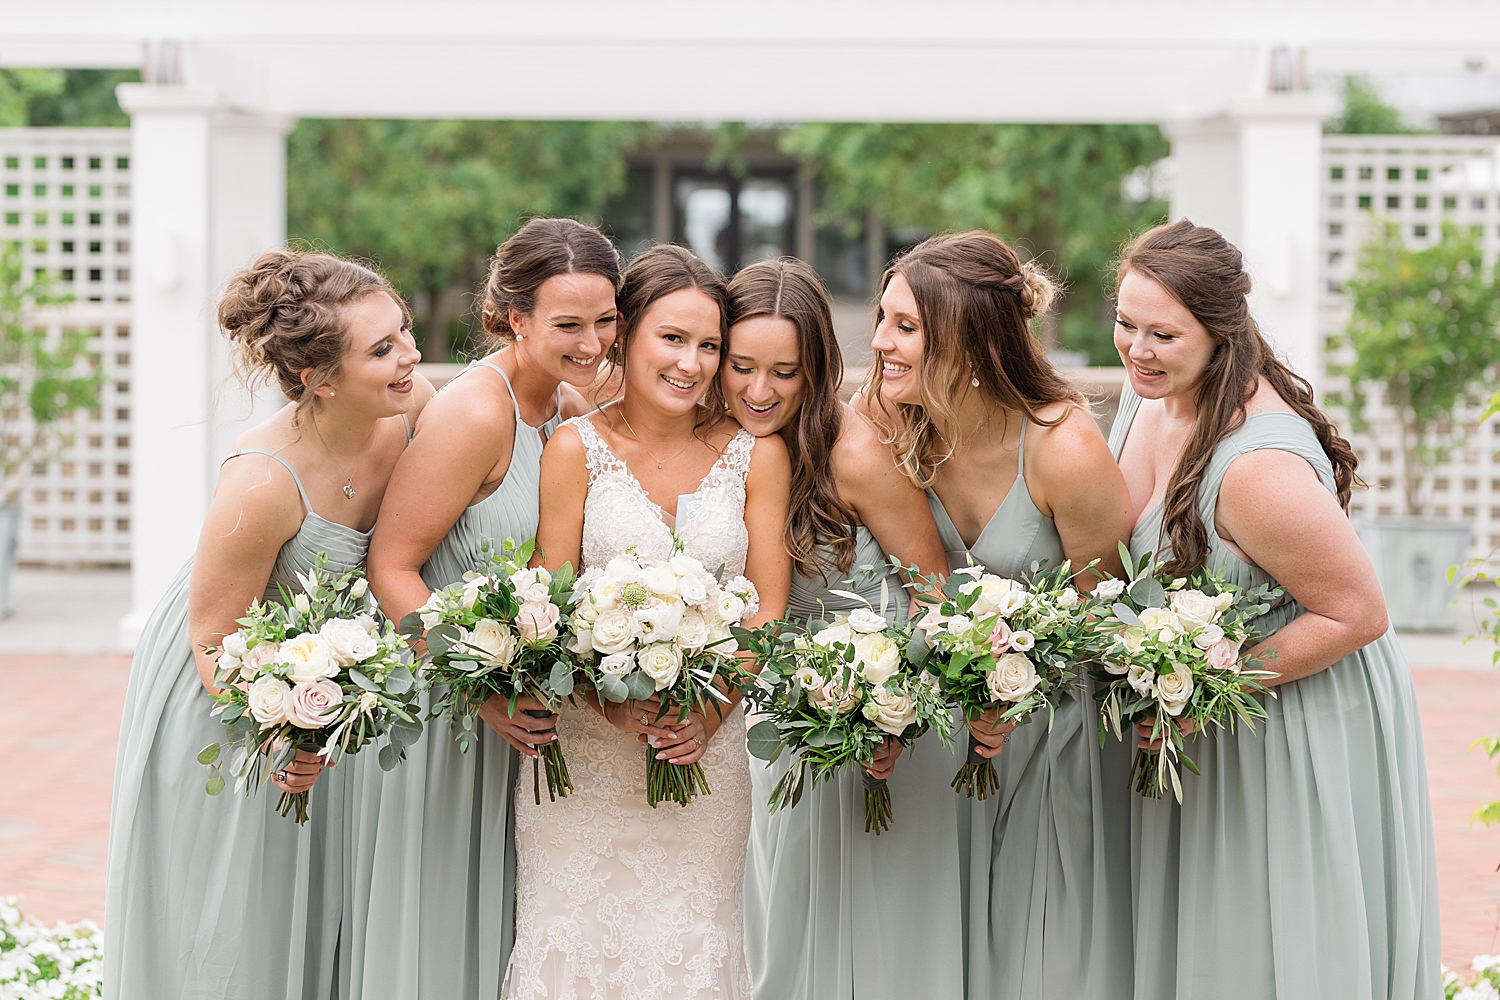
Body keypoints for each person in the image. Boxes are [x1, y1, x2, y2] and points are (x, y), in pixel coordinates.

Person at [1107, 218, 1440, 1000]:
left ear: (1221, 335)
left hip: (1292, 713)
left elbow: (1357, 612)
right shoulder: (1151, 398)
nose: (1136, 349)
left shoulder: (1256, 469)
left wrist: (1202, 692)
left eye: (1163, 333)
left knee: (1271, 945)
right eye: (1125, 322)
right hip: (1213, 711)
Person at [105, 248, 427, 1000]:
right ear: (320, 378)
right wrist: (289, 727)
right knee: (232, 921)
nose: (410, 354)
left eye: (403, 330)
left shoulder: (408, 410)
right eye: (382, 349)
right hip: (232, 695)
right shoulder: (260, 481)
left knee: (314, 914)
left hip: (325, 682)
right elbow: (212, 636)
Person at [505, 244, 791, 999]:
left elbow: (767, 606)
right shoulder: (574, 449)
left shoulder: (756, 455)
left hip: (707, 757)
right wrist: (608, 703)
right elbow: (550, 604)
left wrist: (712, 711)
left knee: (692, 957)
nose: (692, 364)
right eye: (673, 339)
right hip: (584, 764)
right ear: (626, 335)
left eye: (710, 347)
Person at [860, 230, 1136, 999]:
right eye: (884, 319)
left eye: (905, 327)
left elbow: (1110, 615)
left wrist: (1021, 694)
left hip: (1053, 748)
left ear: (970, 341)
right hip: (940, 751)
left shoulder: (1063, 450)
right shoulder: (893, 421)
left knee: (1043, 961)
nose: (881, 342)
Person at [355, 218, 622, 1000]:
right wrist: (483, 686)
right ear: (515, 318)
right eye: (568, 324)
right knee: (441, 936)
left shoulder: (568, 404)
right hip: (449, 713)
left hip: (520, 719)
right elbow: (392, 566)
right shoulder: (478, 413)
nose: (593, 340)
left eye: (605, 320)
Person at [724, 257, 959, 1000]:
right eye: (741, 367)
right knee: (774, 927)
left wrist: (892, 714)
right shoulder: (712, 443)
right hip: (762, 718)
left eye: (785, 373)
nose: (760, 393)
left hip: (866, 725)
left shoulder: (854, 453)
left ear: (816, 367)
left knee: (861, 939)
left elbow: (932, 593)